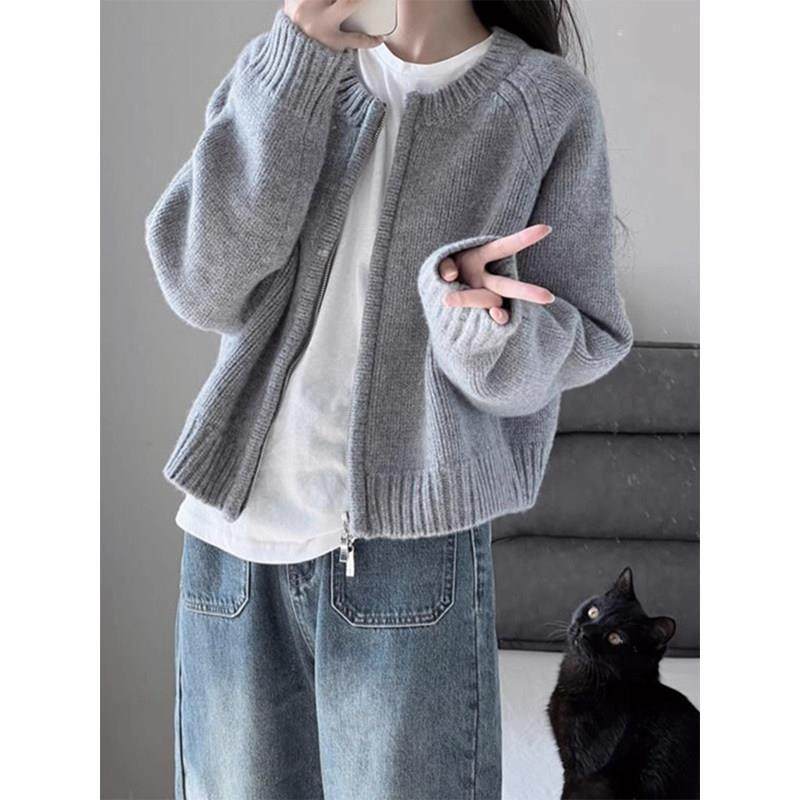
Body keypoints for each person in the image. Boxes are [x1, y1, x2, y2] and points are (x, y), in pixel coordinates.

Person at [145, 0, 633, 797]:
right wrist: (293, 71)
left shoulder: (544, 104)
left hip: (412, 556)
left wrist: (482, 328)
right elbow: (204, 287)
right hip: (231, 545)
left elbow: (587, 333)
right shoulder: (281, 69)